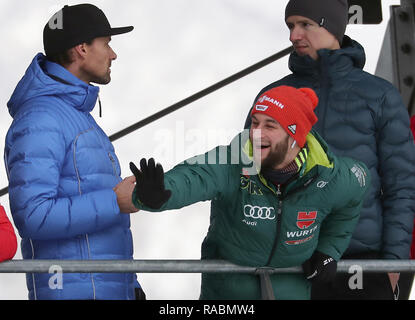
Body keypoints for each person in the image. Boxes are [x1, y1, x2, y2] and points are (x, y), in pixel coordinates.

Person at [122, 85, 370, 300]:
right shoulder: (233, 161)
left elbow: (353, 197)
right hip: (228, 292)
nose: (256, 133)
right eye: (255, 122)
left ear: (296, 137)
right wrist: (158, 194)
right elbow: (195, 176)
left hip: (291, 287)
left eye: (270, 125)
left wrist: (329, 250)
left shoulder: (330, 175)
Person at [244, 0, 415, 300]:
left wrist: (393, 265)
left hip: (361, 264)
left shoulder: (380, 97)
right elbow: (245, 181)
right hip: (287, 263)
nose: (293, 35)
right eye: (290, 25)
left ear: (332, 27)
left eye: (304, 25)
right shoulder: (272, 97)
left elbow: (403, 187)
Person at [4, 4, 144, 300]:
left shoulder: (76, 117)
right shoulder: (41, 118)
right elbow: (33, 215)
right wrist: (113, 201)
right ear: (82, 48)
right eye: (106, 44)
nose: (113, 54)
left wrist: (131, 285)